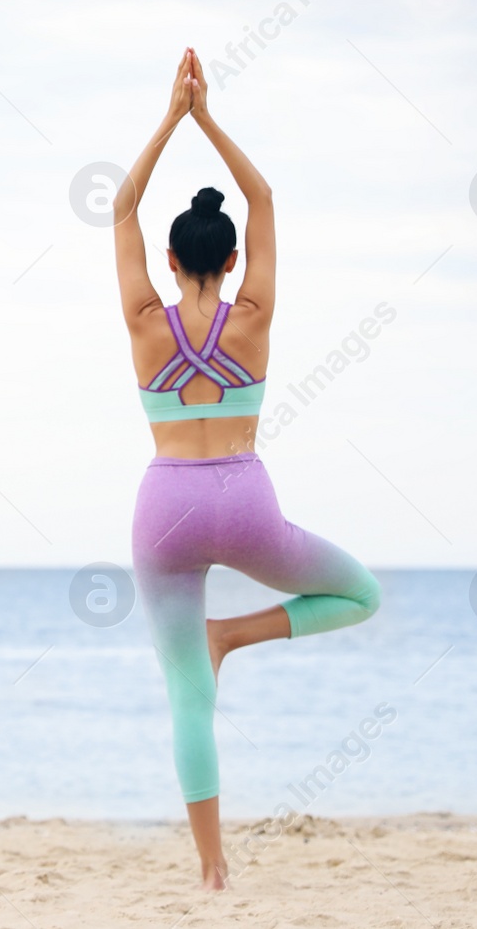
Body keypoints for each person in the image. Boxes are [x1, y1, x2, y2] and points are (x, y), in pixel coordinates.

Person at [111, 47, 382, 890]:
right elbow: (262, 197)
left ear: (169, 260)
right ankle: (235, 633)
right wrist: (208, 118)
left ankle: (212, 867)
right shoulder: (254, 316)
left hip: (164, 509)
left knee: (188, 697)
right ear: (230, 262)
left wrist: (170, 116)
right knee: (359, 594)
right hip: (243, 496)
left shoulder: (145, 318)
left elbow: (119, 205)